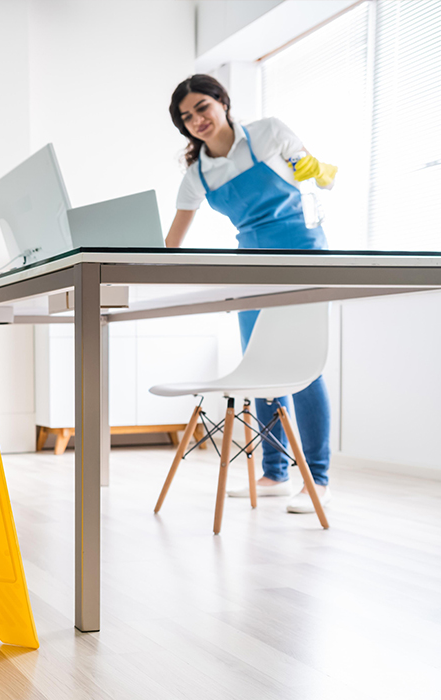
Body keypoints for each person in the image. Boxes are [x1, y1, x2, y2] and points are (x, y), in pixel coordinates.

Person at [164, 74, 338, 514]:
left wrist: (320, 173)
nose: (197, 119)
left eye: (202, 107)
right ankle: (275, 473)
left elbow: (315, 177)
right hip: (251, 265)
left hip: (301, 252)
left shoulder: (269, 133)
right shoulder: (197, 174)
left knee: (303, 367)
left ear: (222, 102)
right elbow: (170, 244)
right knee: (261, 369)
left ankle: (317, 479)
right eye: (186, 117)